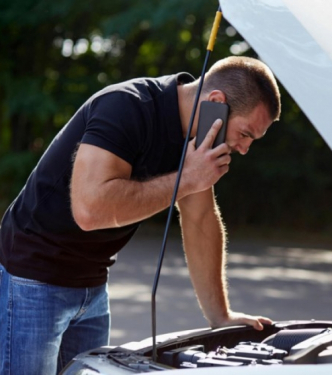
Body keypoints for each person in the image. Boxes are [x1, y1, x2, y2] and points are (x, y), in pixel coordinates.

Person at [0, 55, 281, 375]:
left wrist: (220, 316)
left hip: (92, 285)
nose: (244, 148)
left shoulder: (198, 139)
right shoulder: (125, 107)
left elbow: (200, 217)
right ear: (216, 102)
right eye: (245, 134)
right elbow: (90, 211)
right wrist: (185, 179)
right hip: (34, 277)